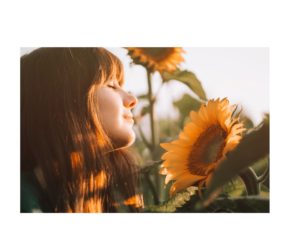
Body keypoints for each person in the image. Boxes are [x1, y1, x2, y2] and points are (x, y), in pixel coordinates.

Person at [21, 48, 143, 212]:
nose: (132, 99)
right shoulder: (22, 200)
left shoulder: (102, 195)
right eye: (112, 86)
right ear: (63, 102)